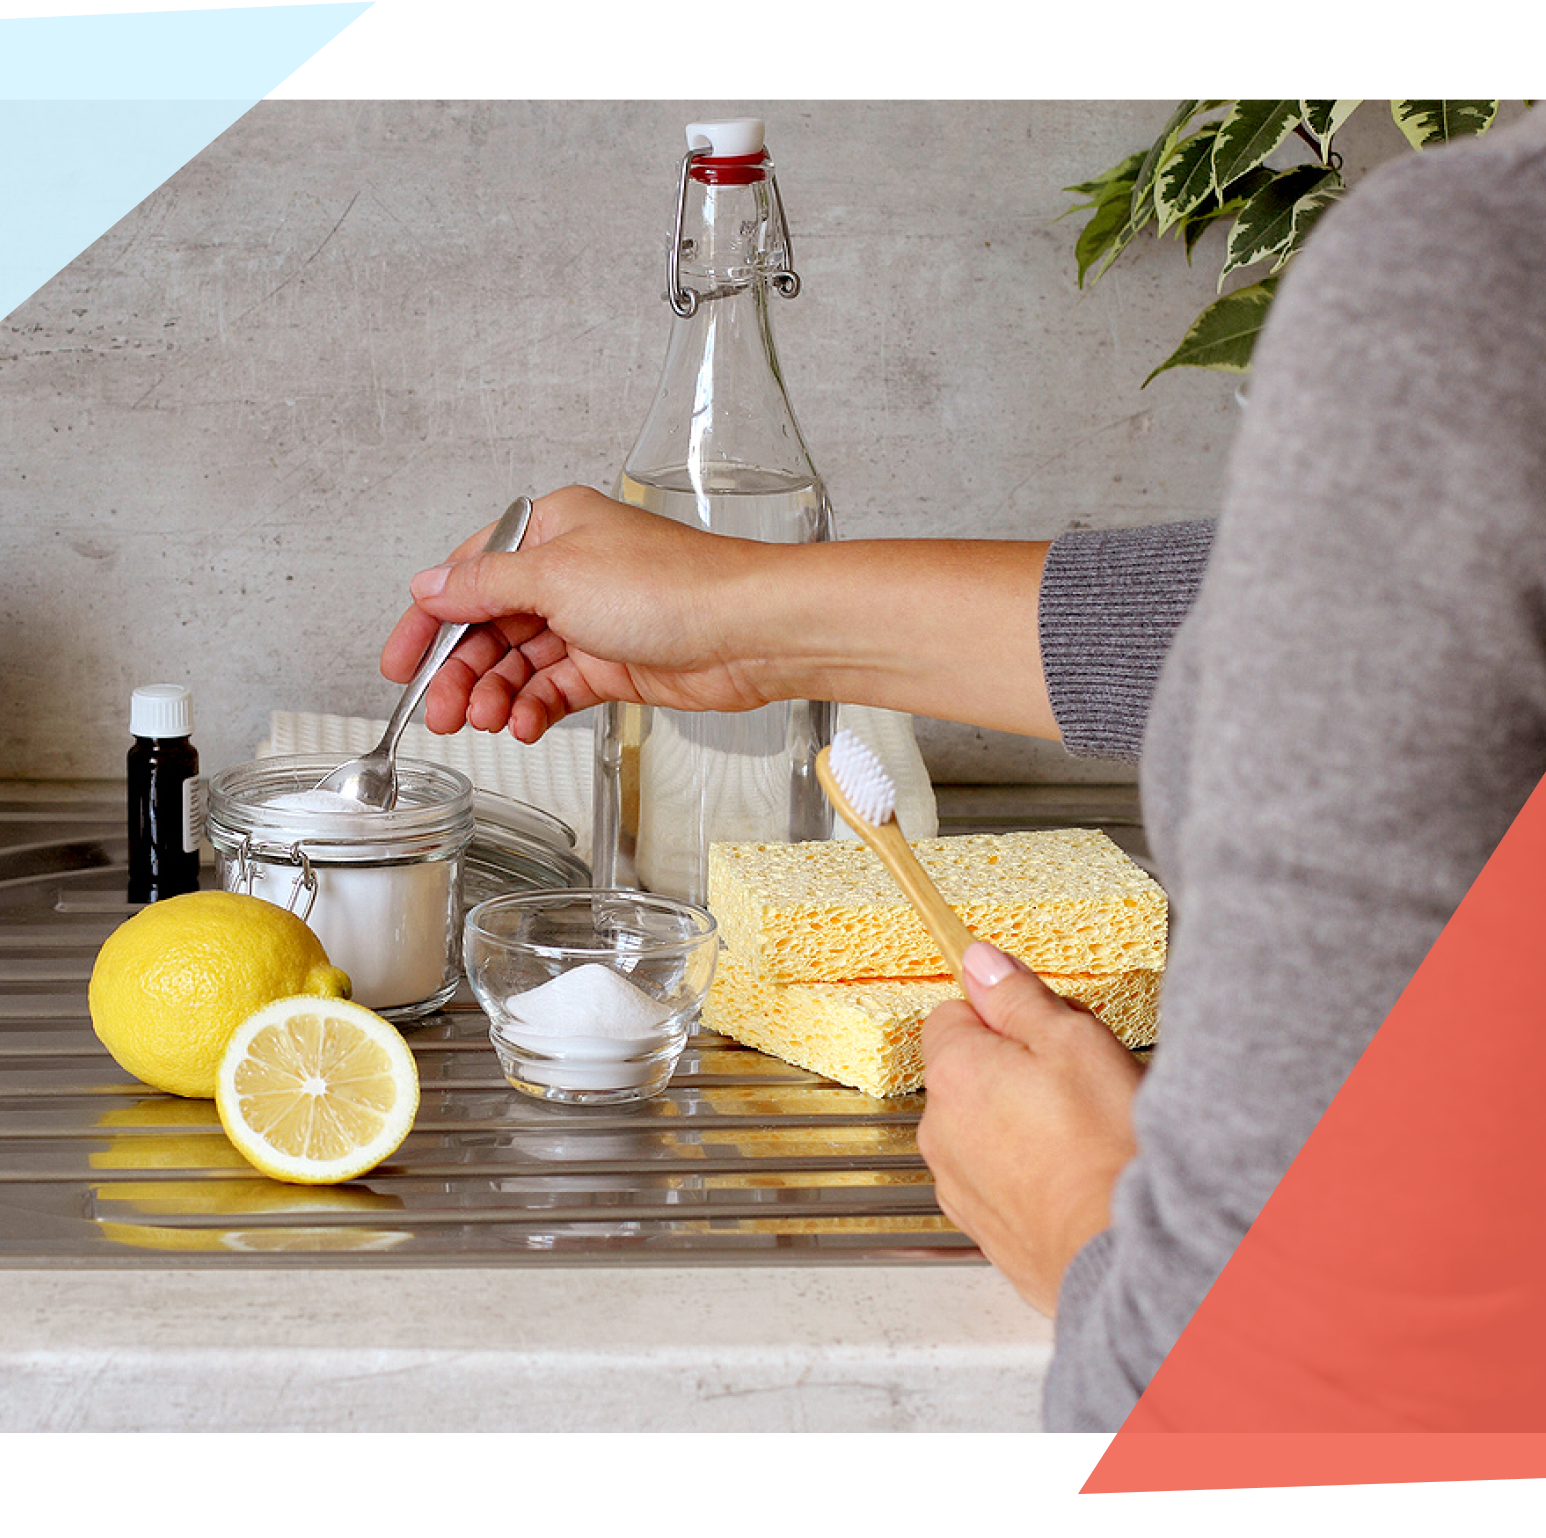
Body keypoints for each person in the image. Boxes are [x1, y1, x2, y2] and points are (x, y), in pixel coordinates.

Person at [382, 105, 1546, 1430]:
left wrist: (1078, 1215)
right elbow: (1358, 609)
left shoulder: (1480, 277)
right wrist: (749, 618)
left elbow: (1282, 1430)